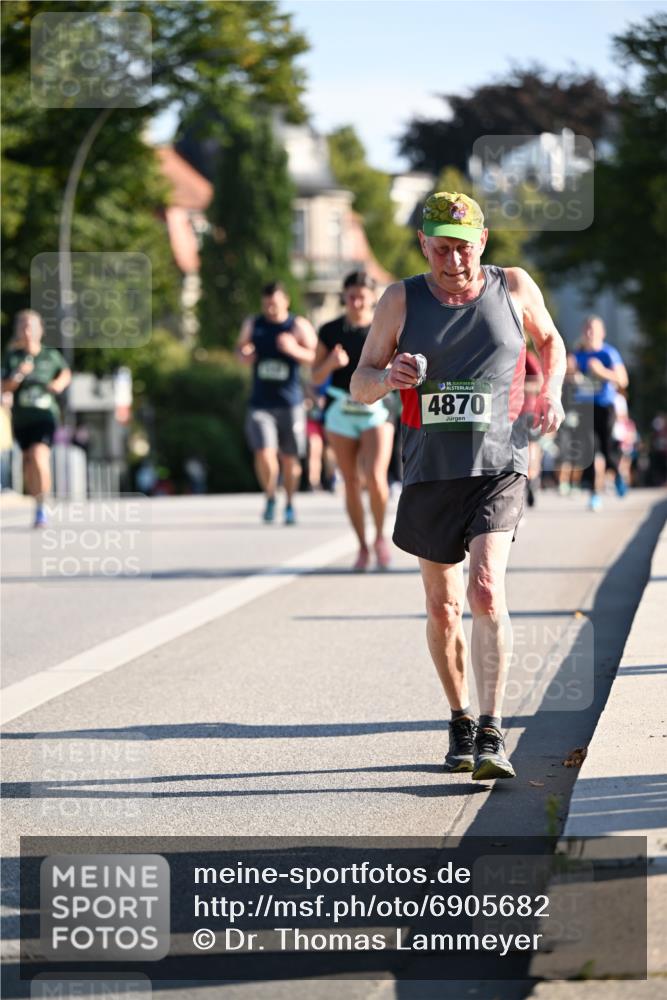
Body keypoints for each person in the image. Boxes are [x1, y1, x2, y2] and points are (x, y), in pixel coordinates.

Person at [351, 191, 565, 780]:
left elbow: (551, 342)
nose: (454, 262)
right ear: (424, 244)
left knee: (487, 589)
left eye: (465, 249)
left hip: (499, 463)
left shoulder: (513, 286)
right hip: (430, 470)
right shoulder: (401, 299)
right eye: (442, 250)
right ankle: (460, 717)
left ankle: (494, 731)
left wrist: (552, 392)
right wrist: (388, 378)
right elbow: (359, 383)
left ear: (483, 242)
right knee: (443, 607)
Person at [312, 271, 394, 571]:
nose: (357, 302)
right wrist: (331, 364)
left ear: (373, 298)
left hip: (377, 410)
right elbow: (314, 376)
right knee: (350, 481)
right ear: (344, 298)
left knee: (375, 477)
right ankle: (362, 545)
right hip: (340, 410)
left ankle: (380, 538)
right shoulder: (330, 330)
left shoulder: (384, 327)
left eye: (362, 296)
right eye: (351, 296)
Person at [236, 281, 317, 525]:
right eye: (266, 304)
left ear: (285, 301)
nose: (270, 308)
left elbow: (316, 357)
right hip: (260, 403)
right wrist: (245, 355)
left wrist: (294, 349)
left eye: (274, 303)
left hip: (290, 403)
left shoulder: (298, 325)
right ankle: (271, 495)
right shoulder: (254, 324)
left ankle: (290, 502)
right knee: (264, 452)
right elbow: (240, 350)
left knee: (291, 458)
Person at [1, 309, 71, 526]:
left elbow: (65, 373)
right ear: (18, 331)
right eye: (23, 327)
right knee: (29, 464)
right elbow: (4, 386)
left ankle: (43, 505)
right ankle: (38, 503)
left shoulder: (50, 355)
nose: (27, 331)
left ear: (40, 330)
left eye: (31, 326)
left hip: (45, 416)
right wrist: (19, 374)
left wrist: (57, 385)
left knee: (39, 455)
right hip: (22, 419)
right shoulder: (13, 357)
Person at [574, 316, 629, 511]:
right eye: (587, 328)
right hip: (584, 408)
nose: (589, 332)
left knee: (607, 450)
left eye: (593, 329)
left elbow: (623, 381)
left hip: (605, 407)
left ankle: (617, 474)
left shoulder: (609, 353)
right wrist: (572, 375)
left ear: (601, 333)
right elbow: (570, 378)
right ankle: (594, 493)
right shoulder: (578, 354)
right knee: (591, 451)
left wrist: (601, 371)